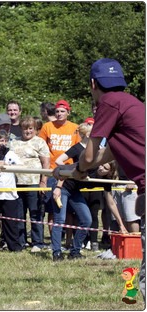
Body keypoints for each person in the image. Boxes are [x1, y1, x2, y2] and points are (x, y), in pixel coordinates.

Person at [54, 58, 145, 299]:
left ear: (93, 83)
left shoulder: (109, 103)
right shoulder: (132, 103)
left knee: (144, 277)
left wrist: (76, 169)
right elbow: (109, 152)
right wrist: (70, 169)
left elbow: (90, 154)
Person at [38, 100, 80, 238]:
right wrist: (43, 179)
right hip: (52, 172)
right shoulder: (47, 127)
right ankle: (53, 239)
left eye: (62, 111)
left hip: (69, 173)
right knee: (52, 208)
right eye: (57, 111)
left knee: (68, 210)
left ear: (68, 112)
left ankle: (67, 240)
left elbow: (79, 149)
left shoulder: (75, 128)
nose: (59, 114)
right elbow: (40, 148)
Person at [11, 116, 50, 252]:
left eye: (30, 128)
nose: (27, 131)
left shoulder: (40, 142)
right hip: (16, 183)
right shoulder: (14, 142)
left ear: (35, 129)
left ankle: (37, 242)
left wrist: (43, 181)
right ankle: (21, 241)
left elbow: (46, 163)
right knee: (19, 214)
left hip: (34, 183)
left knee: (35, 213)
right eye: (25, 128)